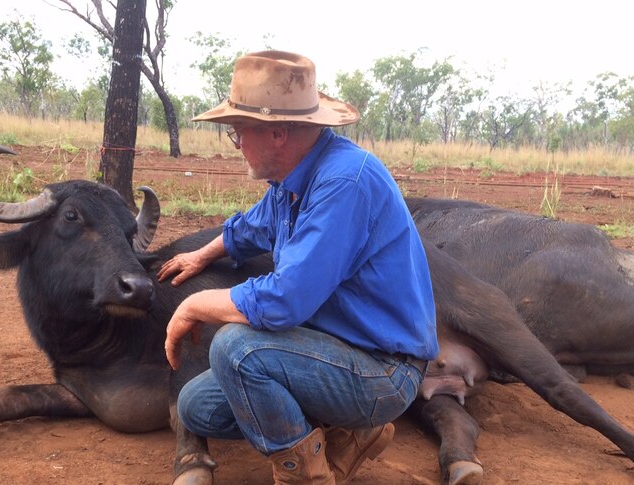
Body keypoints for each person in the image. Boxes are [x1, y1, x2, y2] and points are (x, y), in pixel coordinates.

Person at [159, 50, 438, 485]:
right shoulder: (290, 182)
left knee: (237, 348)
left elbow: (284, 300)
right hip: (332, 351)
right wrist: (202, 255)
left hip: (381, 369)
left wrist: (194, 304)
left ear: (278, 133)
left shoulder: (345, 183)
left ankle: (305, 477)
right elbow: (249, 229)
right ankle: (347, 436)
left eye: (238, 133)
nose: (237, 146)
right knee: (198, 405)